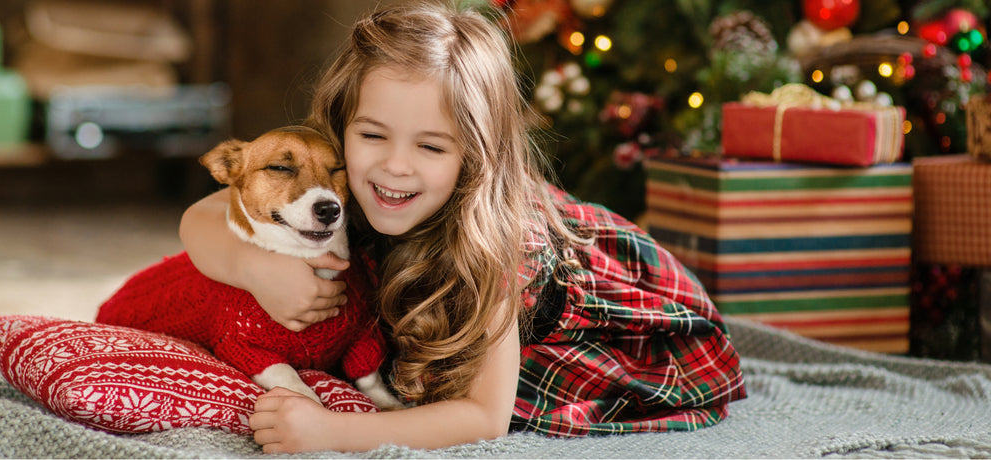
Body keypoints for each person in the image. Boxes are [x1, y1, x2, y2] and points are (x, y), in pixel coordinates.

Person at [179, 0, 746, 453]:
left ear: (473, 157)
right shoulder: (333, 171)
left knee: (440, 381)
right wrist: (255, 268)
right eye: (372, 135)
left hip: (620, 330)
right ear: (340, 124)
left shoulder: (498, 246)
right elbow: (201, 215)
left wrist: (334, 434)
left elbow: (485, 416)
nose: (394, 166)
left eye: (430, 146)